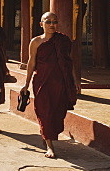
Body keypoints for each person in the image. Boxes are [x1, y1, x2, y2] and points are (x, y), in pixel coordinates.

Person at [23, 12, 77, 159]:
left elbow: (68, 62)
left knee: (58, 112)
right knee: (44, 111)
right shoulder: (35, 42)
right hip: (42, 82)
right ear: (41, 24)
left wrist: (74, 80)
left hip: (60, 82)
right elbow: (31, 63)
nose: (52, 25)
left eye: (54, 22)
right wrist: (26, 84)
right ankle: (49, 146)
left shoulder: (63, 41)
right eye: (48, 22)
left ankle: (45, 134)